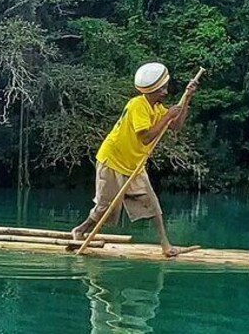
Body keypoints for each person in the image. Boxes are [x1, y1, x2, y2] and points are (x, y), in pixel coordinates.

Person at [71, 62, 198, 257]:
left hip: (134, 165)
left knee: (153, 204)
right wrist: (167, 117)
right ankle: (80, 230)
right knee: (106, 208)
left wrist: (187, 98)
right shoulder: (138, 105)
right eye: (162, 88)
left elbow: (176, 125)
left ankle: (166, 245)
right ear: (153, 90)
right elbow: (146, 137)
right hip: (113, 160)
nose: (165, 92)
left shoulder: (156, 108)